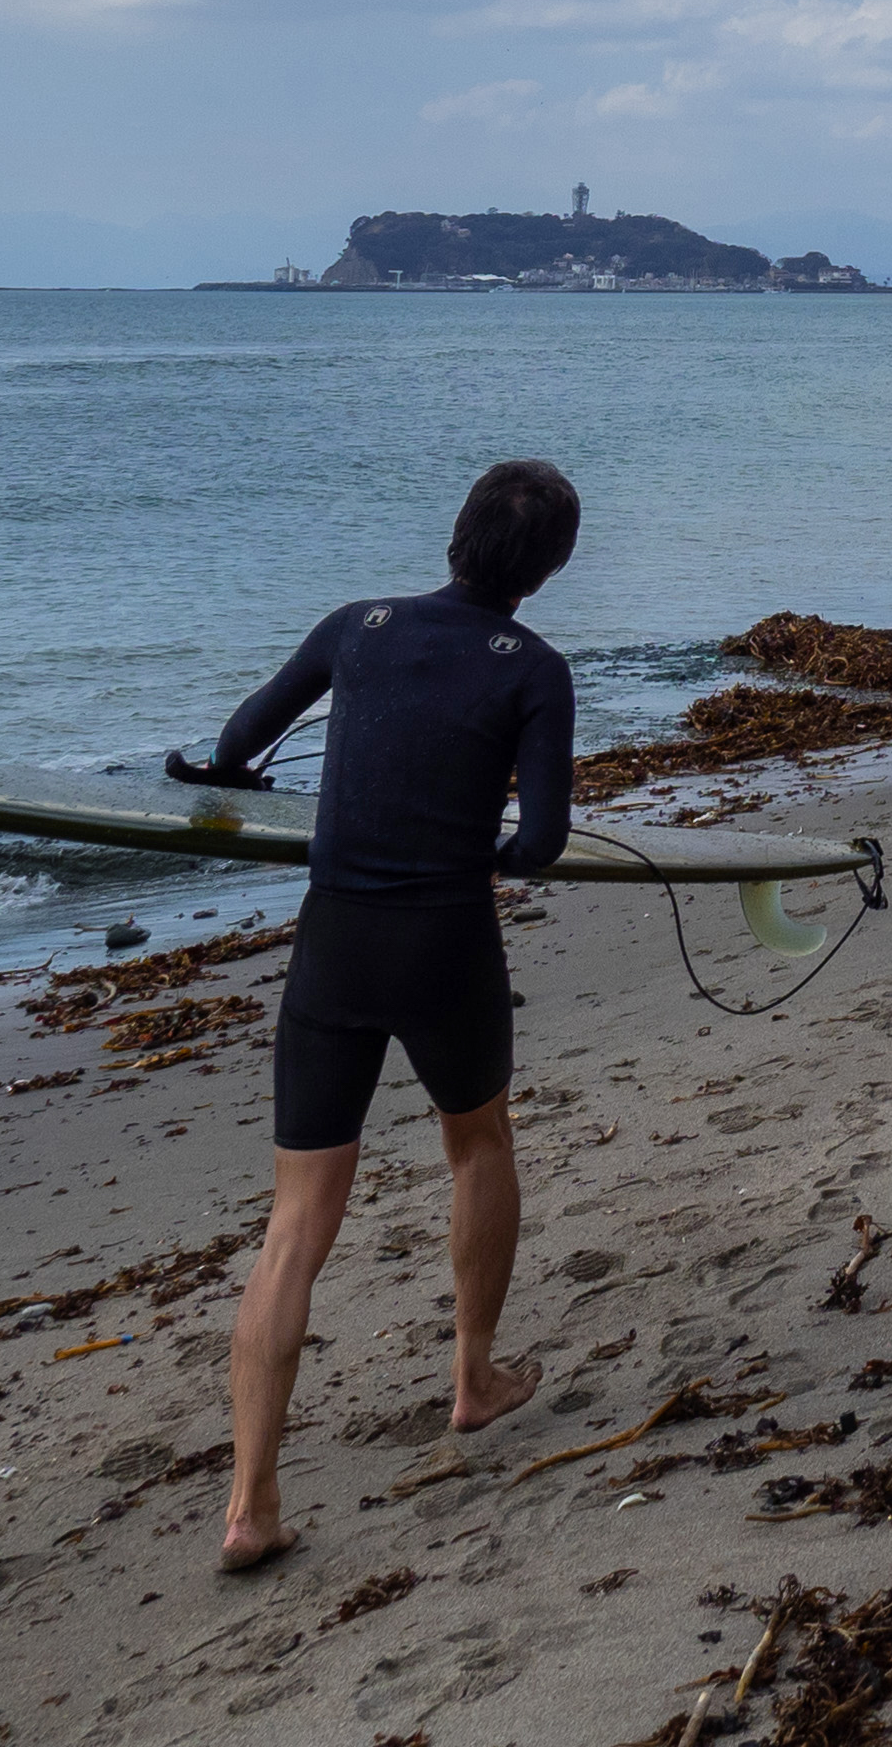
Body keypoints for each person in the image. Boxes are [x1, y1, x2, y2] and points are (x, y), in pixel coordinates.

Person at [189, 456, 583, 1575]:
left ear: (455, 535)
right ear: (547, 570)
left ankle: (251, 1504)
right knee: (477, 1144)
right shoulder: (535, 670)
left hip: (336, 943)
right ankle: (473, 1381)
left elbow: (234, 746)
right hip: (446, 938)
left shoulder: (354, 625)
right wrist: (496, 852)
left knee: (295, 1225)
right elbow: (544, 840)